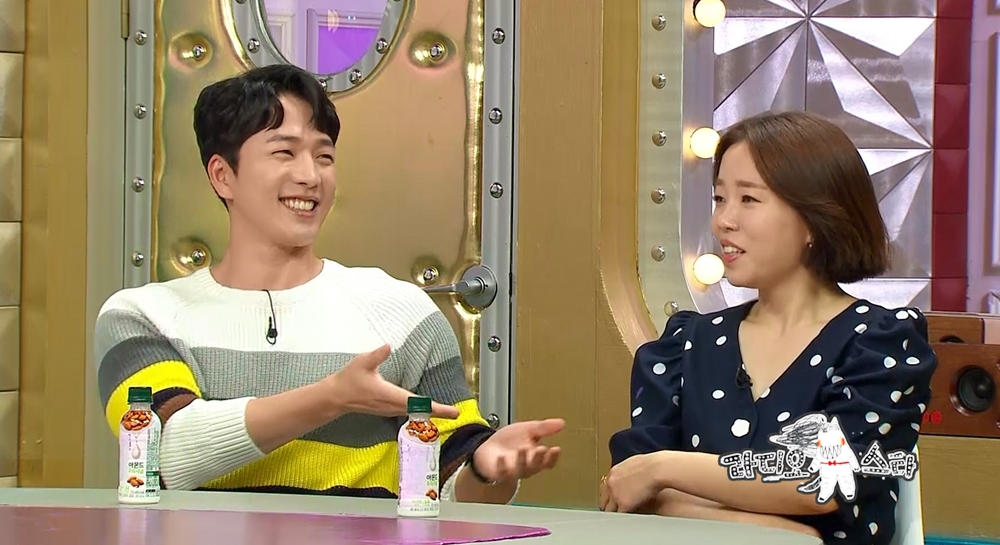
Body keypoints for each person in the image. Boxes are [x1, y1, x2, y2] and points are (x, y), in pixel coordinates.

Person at [94, 63, 564, 503]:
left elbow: (448, 484)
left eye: (324, 156)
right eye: (284, 152)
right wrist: (332, 398)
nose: (310, 176)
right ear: (223, 176)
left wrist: (487, 469)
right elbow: (163, 455)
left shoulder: (404, 313)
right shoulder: (142, 316)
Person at [599, 111, 937, 544]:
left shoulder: (880, 344)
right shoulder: (686, 345)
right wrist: (777, 530)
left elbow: (827, 478)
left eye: (748, 199)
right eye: (719, 198)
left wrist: (664, 468)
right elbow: (630, 490)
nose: (724, 220)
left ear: (814, 219)